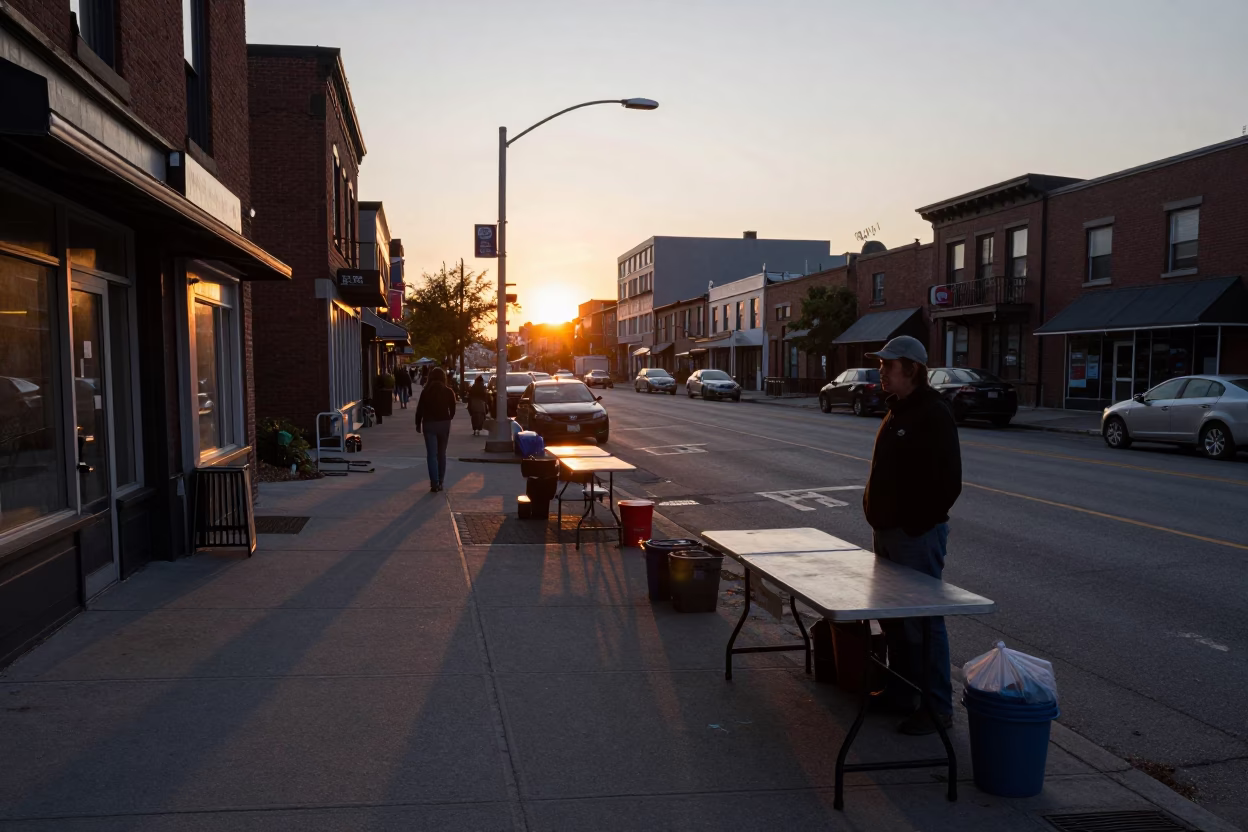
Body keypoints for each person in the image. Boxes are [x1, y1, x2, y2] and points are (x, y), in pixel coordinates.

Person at [861, 335, 962, 737]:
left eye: (889, 365)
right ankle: (901, 694)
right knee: (896, 622)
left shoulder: (932, 414)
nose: (882, 371)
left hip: (914, 538)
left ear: (912, 369)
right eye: (882, 365)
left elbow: (948, 483)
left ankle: (937, 708)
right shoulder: (898, 410)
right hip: (888, 533)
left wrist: (912, 526)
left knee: (924, 622)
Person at [414, 367, 457, 493]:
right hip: (444, 423)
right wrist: (449, 418)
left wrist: (417, 423)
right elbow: (453, 407)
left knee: (432, 455)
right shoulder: (448, 391)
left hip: (429, 424)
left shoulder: (426, 391)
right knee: (441, 453)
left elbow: (420, 409)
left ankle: (434, 483)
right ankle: (441, 481)